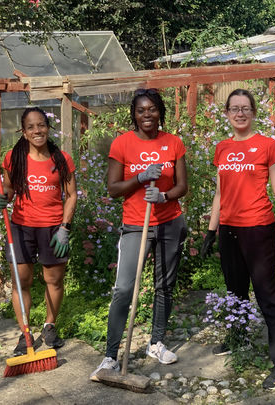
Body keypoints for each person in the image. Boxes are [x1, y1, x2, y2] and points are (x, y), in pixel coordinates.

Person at [90, 88, 187, 380]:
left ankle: (156, 343)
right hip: (135, 224)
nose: (147, 115)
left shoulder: (173, 143)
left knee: (164, 286)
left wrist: (165, 196)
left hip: (170, 222)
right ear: (134, 114)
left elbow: (183, 186)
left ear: (160, 112)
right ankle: (110, 356)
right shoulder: (122, 144)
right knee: (123, 289)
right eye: (142, 110)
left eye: (153, 109)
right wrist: (140, 178)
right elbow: (113, 188)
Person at [200, 88, 275, 390]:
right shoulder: (222, 148)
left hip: (257, 228)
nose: (240, 113)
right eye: (234, 108)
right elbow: (219, 193)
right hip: (228, 228)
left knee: (268, 294)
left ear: (254, 113)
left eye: (245, 108)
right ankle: (236, 337)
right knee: (234, 289)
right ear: (226, 113)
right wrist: (211, 231)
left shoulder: (267, 145)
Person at [0, 107, 77, 355]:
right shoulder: (13, 158)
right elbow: (8, 190)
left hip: (52, 228)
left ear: (47, 127)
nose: (37, 130)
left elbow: (71, 196)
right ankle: (26, 333)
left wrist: (65, 227)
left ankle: (49, 326)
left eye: (41, 125)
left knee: (54, 280)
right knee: (22, 282)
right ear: (24, 131)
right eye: (31, 127)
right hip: (22, 227)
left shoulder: (61, 159)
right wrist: (2, 199)